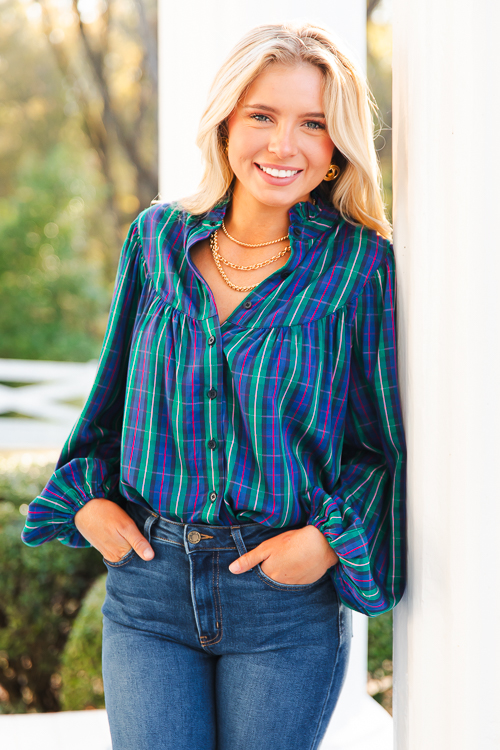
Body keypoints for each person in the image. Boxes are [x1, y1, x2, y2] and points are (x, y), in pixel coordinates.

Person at [21, 21, 406, 750]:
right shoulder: (156, 240)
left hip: (281, 600)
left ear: (335, 151)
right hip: (148, 587)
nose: (282, 145)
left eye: (313, 124)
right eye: (262, 115)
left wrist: (325, 544)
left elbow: (379, 443)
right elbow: (108, 404)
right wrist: (90, 505)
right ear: (226, 121)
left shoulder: (360, 268)